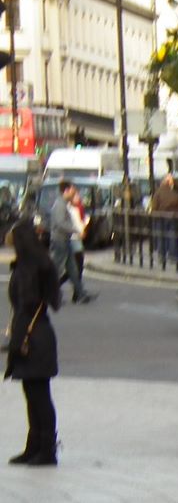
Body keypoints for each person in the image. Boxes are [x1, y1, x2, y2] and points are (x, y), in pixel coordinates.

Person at [5, 217, 64, 465]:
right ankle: (35, 446)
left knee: (39, 395)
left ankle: (47, 449)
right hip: (39, 334)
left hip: (34, 338)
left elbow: (26, 306)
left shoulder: (29, 269)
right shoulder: (35, 264)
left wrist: (15, 340)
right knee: (33, 393)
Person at [47, 180, 93, 304]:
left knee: (72, 269)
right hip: (59, 241)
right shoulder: (60, 205)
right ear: (66, 190)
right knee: (56, 270)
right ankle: (50, 295)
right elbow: (60, 223)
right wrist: (76, 231)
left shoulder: (64, 203)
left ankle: (80, 294)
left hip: (64, 240)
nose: (74, 192)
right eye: (72, 189)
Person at [148, 172, 178, 264]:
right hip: (172, 217)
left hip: (161, 217)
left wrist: (154, 214)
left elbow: (154, 206)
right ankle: (173, 257)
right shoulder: (175, 193)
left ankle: (162, 256)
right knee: (172, 237)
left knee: (161, 237)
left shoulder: (158, 193)